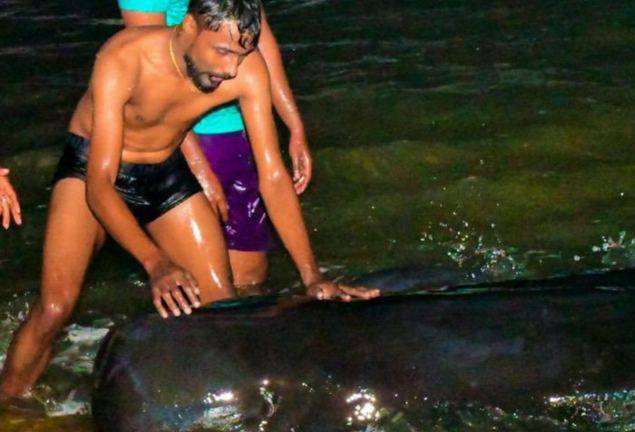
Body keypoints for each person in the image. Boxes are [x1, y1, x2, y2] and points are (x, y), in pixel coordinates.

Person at [0, 0, 378, 400]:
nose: (230, 69)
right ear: (189, 27)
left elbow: (273, 177)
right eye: (223, 52)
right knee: (55, 308)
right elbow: (100, 183)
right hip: (91, 170)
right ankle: (8, 402)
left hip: (164, 172)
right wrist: (156, 262)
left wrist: (312, 276)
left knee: (222, 309)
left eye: (241, 54)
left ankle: (207, 408)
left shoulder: (247, 71)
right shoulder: (123, 56)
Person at [120, 0, 311, 293]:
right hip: (171, 142)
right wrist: (199, 169)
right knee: (203, 285)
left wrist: (294, 125)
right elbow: (151, 71)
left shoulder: (246, 71)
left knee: (249, 279)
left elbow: (261, 40)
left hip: (235, 129)